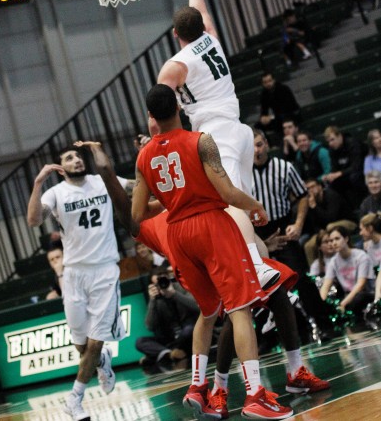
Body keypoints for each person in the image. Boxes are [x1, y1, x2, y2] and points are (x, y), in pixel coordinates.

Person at [84, 135, 330, 420]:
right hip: (202, 248)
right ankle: (224, 389)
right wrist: (112, 169)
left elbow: (151, 180)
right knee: (237, 309)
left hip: (207, 246)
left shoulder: (168, 199)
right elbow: (125, 190)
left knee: (256, 297)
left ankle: (215, 385)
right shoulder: (146, 218)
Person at [132, 84, 293, 420]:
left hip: (177, 233)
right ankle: (255, 395)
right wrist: (255, 206)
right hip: (210, 226)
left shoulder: (143, 156)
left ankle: (197, 386)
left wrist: (173, 198)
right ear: (178, 107)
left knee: (208, 312)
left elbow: (138, 215)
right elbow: (228, 193)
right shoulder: (200, 141)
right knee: (240, 309)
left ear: (150, 116)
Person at [157, 0, 278, 290]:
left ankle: (257, 267)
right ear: (200, 26)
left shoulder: (176, 65)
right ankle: (267, 271)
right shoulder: (210, 37)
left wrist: (160, 141)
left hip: (216, 136)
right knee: (239, 206)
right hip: (239, 130)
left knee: (230, 205)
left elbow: (159, 109)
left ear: (175, 34)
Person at [27, 143, 133, 421]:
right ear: (61, 168)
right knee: (81, 344)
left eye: (78, 156)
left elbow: (134, 187)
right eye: (69, 158)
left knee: (96, 342)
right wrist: (38, 183)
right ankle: (101, 362)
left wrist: (96, 149)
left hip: (104, 271)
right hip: (74, 274)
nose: (76, 160)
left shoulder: (101, 181)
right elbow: (34, 220)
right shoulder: (56, 193)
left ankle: (74, 400)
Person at [252, 129, 335, 335]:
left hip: (282, 228)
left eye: (259, 144)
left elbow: (303, 195)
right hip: (257, 234)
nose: (256, 150)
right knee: (263, 286)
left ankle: (324, 324)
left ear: (267, 144)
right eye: (252, 146)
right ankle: (291, 331)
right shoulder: (241, 171)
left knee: (300, 278)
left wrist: (298, 224)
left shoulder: (284, 167)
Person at [135, 263, 198, 370]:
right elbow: (150, 326)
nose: (161, 285)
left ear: (169, 278)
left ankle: (160, 354)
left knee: (189, 330)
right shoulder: (155, 298)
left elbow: (197, 307)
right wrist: (152, 301)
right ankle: (170, 353)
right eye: (157, 284)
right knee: (140, 342)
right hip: (169, 339)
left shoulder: (180, 287)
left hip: (187, 336)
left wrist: (174, 294)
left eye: (163, 281)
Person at [320, 225, 375, 319]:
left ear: (346, 239)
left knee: (357, 299)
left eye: (337, 239)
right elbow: (325, 286)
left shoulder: (361, 256)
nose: (334, 243)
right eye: (331, 240)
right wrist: (323, 304)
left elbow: (361, 285)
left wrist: (343, 304)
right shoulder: (333, 261)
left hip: (364, 294)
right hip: (347, 297)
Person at [303, 179, 356, 266]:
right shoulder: (310, 202)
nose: (310, 190)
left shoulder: (331, 195)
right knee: (308, 246)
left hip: (347, 222)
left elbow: (331, 218)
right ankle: (316, 271)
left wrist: (315, 207)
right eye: (308, 189)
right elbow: (313, 223)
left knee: (330, 226)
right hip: (326, 230)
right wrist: (319, 231)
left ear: (320, 186)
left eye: (312, 187)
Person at [322, 125, 366, 217]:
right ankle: (346, 212)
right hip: (346, 173)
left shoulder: (353, 143)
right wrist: (329, 176)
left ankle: (361, 206)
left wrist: (339, 173)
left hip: (362, 170)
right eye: (328, 141)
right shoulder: (332, 150)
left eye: (332, 139)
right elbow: (334, 167)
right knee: (333, 183)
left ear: (340, 136)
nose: (330, 143)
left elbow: (357, 165)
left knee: (354, 177)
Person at [258, 72, 301, 146]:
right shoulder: (264, 94)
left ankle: (291, 141)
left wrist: (271, 117)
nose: (268, 84)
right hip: (278, 117)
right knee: (258, 126)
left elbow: (289, 107)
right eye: (265, 82)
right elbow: (264, 110)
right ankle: (269, 145)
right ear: (262, 84)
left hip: (291, 114)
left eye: (269, 81)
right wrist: (263, 118)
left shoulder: (283, 88)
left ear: (274, 80)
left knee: (282, 119)